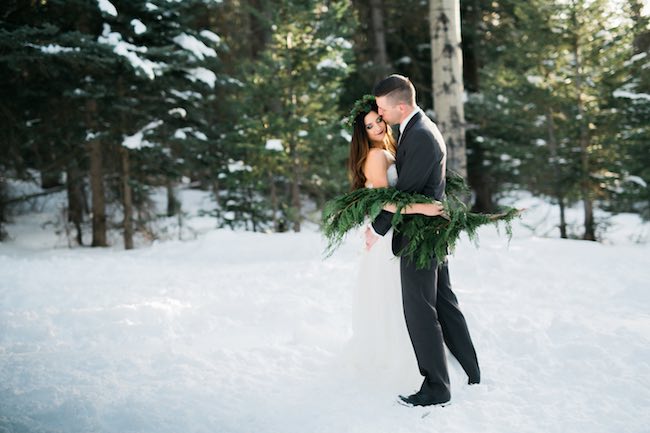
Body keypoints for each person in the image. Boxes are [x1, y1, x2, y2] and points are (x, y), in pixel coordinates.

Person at [365, 74, 480, 407]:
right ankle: (471, 372)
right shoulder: (417, 128)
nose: (381, 115)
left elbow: (404, 195)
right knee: (444, 302)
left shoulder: (419, 136)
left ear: (401, 106)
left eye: (383, 109)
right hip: (430, 232)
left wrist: (377, 228)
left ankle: (437, 387)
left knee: (420, 310)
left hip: (419, 235)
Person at [346, 98, 444, 386]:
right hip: (390, 234)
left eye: (378, 119)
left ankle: (416, 360)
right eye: (369, 125)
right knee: (395, 298)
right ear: (362, 133)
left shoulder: (391, 148)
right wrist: (424, 208)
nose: (377, 126)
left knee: (403, 298)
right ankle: (398, 360)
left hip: (398, 231)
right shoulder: (376, 157)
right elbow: (386, 203)